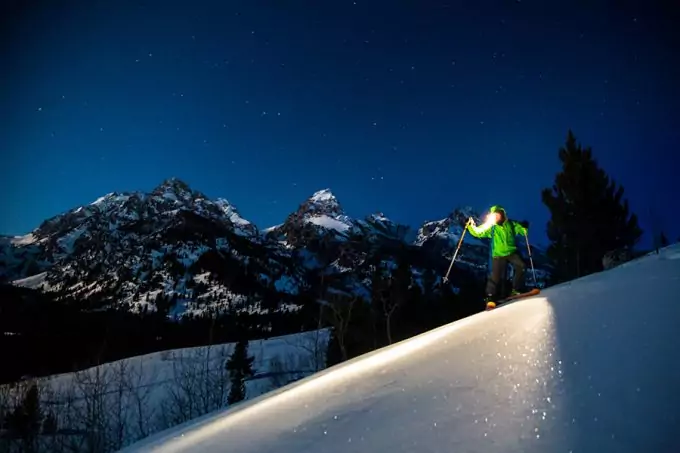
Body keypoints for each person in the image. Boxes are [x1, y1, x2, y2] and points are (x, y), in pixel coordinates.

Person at [466, 205, 529, 305]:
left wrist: (524, 227)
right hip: (498, 255)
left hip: (512, 252)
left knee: (521, 266)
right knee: (495, 276)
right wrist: (470, 226)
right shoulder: (491, 227)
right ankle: (490, 297)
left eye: (497, 215)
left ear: (502, 214)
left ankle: (516, 290)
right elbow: (478, 232)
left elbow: (522, 231)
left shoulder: (511, 224)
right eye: (493, 215)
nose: (495, 217)